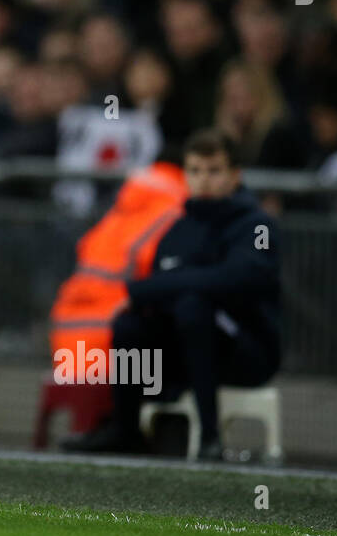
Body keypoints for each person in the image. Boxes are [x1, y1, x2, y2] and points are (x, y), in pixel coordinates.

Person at [63, 128, 282, 460]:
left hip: (246, 351)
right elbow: (170, 284)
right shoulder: (179, 227)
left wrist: (144, 290)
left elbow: (233, 279)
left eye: (214, 171)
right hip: (185, 351)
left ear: (235, 175)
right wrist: (147, 296)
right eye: (195, 171)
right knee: (130, 323)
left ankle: (210, 436)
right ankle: (125, 429)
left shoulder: (256, 226)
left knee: (193, 306)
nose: (204, 180)